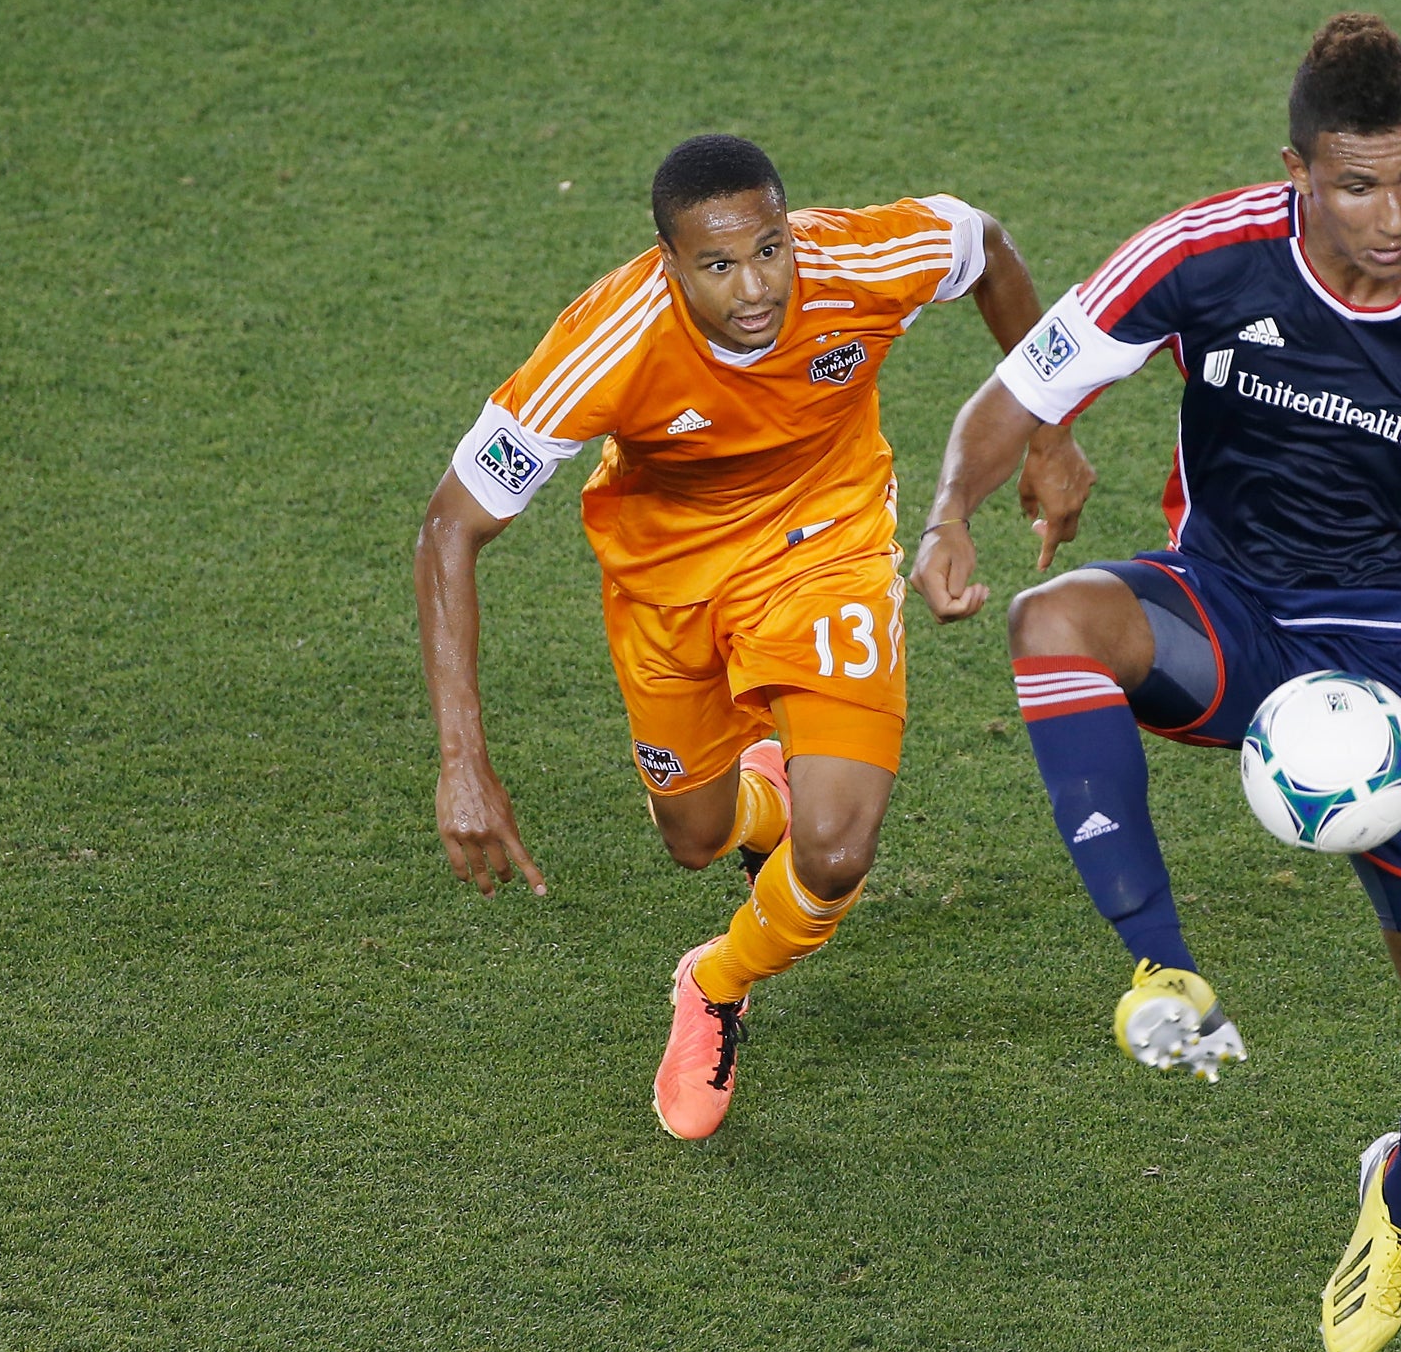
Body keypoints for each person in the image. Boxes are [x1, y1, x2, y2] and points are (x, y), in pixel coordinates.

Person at [910, 14, 1401, 1352]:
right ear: (1297, 172)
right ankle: (1161, 968)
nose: (1393, 217)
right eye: (1356, 183)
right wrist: (948, 515)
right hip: (1229, 611)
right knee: (1055, 623)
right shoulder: (1203, 258)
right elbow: (1025, 382)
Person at [416, 133, 1052, 1141]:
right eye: (716, 265)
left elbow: (988, 250)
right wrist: (462, 763)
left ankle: (712, 985)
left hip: (826, 550)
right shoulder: (610, 341)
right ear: (668, 263)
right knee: (697, 839)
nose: (753, 287)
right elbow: (451, 527)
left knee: (835, 850)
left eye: (768, 249)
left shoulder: (858, 261)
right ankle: (768, 788)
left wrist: (1049, 436)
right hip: (668, 593)